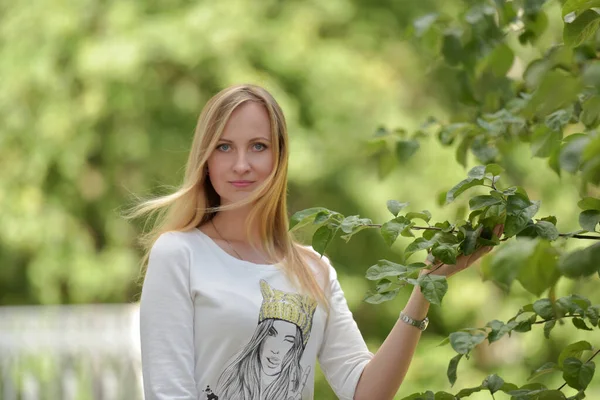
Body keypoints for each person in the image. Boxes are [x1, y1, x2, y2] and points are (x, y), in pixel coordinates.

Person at [131, 84, 504, 400]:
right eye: (224, 147)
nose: (241, 164)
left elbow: (365, 391)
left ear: (279, 157)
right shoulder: (180, 254)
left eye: (258, 146)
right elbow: (168, 391)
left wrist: (425, 286)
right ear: (205, 159)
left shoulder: (313, 271)